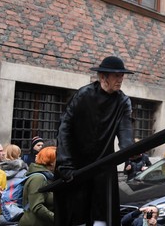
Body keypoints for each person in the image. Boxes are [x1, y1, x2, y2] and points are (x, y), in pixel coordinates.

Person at [55, 55, 136, 226]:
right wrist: (65, 164)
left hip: (103, 168)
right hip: (76, 168)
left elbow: (125, 131)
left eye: (122, 75)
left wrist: (128, 151)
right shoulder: (83, 95)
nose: (121, 79)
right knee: (76, 215)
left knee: (102, 218)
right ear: (103, 77)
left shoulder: (123, 101)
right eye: (117, 75)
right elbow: (64, 129)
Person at [19, 146, 56, 226]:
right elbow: (37, 206)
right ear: (52, 161)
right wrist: (57, 219)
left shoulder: (48, 176)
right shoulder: (38, 178)